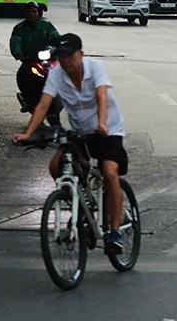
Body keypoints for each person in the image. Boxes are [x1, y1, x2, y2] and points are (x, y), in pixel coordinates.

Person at [13, 33, 128, 253]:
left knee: (109, 171)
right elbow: (43, 104)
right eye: (62, 56)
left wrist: (102, 123)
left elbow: (102, 97)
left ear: (80, 55)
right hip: (80, 131)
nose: (65, 61)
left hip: (108, 129)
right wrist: (28, 133)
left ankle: (115, 232)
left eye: (69, 56)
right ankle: (82, 207)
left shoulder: (94, 67)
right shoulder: (56, 74)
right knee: (57, 168)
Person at [9, 1, 61, 109]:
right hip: (29, 59)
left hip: (48, 58)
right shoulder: (20, 28)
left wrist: (64, 45)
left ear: (39, 13)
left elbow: (56, 37)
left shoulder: (46, 25)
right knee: (22, 75)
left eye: (34, 12)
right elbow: (15, 42)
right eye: (29, 12)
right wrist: (18, 53)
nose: (32, 14)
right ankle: (26, 99)